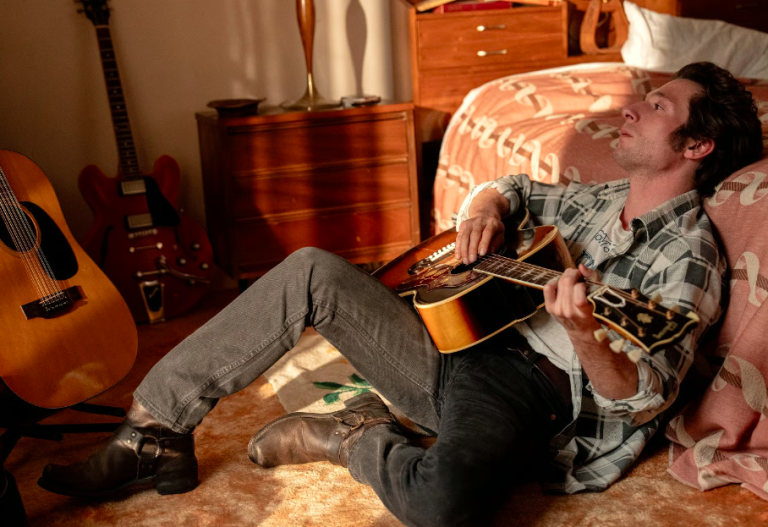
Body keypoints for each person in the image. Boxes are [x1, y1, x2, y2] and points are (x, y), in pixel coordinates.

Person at [38, 62, 763, 527]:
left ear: (696, 146)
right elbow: (512, 186)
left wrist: (580, 332)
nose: (631, 108)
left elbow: (641, 398)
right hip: (457, 338)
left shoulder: (688, 257)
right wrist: (485, 209)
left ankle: (353, 434)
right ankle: (153, 432)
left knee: (445, 504)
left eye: (656, 105)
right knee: (312, 268)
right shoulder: (595, 198)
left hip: (525, 393)